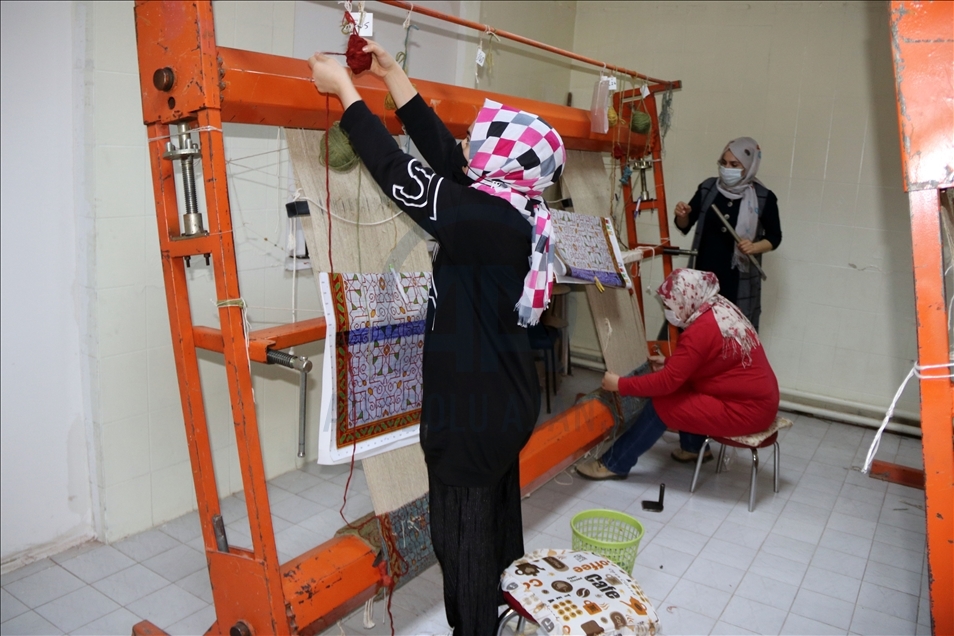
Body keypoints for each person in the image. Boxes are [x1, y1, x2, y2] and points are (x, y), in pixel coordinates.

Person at [308, 42, 565, 635]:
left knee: (461, 544)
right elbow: (446, 157)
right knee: (495, 525)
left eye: (480, 135)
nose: (468, 137)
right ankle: (500, 608)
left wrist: (345, 93)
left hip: (472, 416)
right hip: (504, 401)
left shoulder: (485, 219)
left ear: (502, 159)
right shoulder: (509, 202)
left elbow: (400, 174)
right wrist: (391, 74)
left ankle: (475, 625)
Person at [576, 268, 779, 481]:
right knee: (684, 386)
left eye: (669, 305)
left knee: (662, 405)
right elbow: (710, 358)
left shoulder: (700, 330)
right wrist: (670, 362)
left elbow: (666, 384)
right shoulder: (719, 308)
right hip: (759, 401)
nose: (667, 310)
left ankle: (614, 464)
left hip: (747, 411)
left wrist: (620, 384)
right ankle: (693, 448)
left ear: (687, 300)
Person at [670, 137, 782, 463]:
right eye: (724, 162)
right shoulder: (708, 188)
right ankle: (692, 443)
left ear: (749, 166)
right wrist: (682, 214)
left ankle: (715, 430)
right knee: (692, 361)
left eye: (735, 165)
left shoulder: (764, 197)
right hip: (701, 290)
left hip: (736, 290)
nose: (728, 169)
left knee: (722, 365)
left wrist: (754, 246)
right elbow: (685, 224)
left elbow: (774, 237)